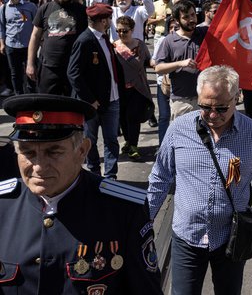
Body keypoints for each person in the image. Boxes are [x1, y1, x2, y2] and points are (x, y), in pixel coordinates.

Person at [0, 94, 163, 294]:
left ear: (82, 150)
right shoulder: (3, 205)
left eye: (54, 152)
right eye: (28, 153)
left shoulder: (124, 209)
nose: (39, 167)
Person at [148, 65, 252, 295]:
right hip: (187, 237)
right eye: (205, 107)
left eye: (221, 108)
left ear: (238, 98)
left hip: (231, 240)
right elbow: (160, 178)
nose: (213, 115)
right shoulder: (178, 130)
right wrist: (144, 222)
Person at [68, 3, 123, 179]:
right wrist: (90, 99)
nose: (109, 22)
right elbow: (73, 73)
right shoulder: (85, 40)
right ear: (103, 20)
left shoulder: (104, 38)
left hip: (111, 99)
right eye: (107, 19)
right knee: (89, 141)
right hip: (91, 104)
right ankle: (93, 173)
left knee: (111, 140)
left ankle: (110, 176)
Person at [27, 0, 87, 95]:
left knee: (71, 107)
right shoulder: (44, 8)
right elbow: (35, 36)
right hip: (48, 66)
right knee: (47, 105)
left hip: (73, 68)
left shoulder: (81, 11)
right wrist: (30, 64)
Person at [154, 0, 208, 120]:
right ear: (177, 20)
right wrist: (180, 63)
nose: (191, 19)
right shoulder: (169, 41)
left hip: (205, 100)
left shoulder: (204, 33)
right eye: (186, 17)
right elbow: (158, 68)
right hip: (182, 102)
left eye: (193, 15)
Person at [114, 15, 153, 160]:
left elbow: (148, 61)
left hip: (138, 87)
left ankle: (134, 146)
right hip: (120, 88)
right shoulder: (113, 47)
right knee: (123, 117)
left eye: (125, 31)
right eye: (119, 31)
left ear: (132, 30)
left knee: (133, 117)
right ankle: (128, 142)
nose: (122, 34)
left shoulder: (140, 45)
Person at [0, 0, 38, 94]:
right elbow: (1, 27)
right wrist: (2, 44)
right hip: (11, 45)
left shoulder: (30, 6)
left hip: (28, 46)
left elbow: (37, 26)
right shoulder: (3, 8)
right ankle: (18, 95)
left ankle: (32, 94)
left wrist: (39, 42)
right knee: (15, 73)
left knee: (31, 71)